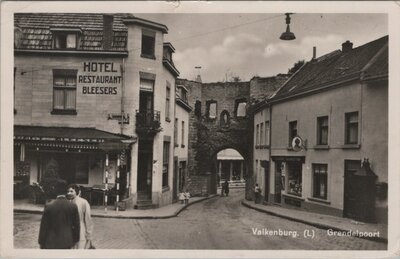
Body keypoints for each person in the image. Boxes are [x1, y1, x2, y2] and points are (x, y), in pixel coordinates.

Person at [38, 182, 80, 249]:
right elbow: (76, 225)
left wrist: (41, 241)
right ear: (66, 191)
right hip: (67, 241)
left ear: (55, 191)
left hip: (51, 241)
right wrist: (75, 240)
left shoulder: (49, 206)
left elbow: (44, 226)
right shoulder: (73, 206)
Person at [67, 184, 94, 249]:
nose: (69, 193)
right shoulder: (68, 202)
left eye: (71, 191)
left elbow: (88, 219)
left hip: (81, 231)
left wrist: (89, 235)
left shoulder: (83, 202)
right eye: (68, 191)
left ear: (77, 192)